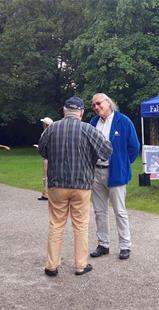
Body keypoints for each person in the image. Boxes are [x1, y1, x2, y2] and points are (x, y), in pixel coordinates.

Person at [38, 96, 112, 277]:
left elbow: (42, 150)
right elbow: (107, 150)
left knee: (56, 224)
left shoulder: (52, 128)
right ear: (81, 112)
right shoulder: (88, 129)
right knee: (80, 225)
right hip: (82, 184)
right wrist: (92, 156)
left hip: (56, 184)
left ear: (64, 111)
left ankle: (52, 265)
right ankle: (80, 265)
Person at [89, 93, 140, 260]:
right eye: (93, 105)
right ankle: (103, 244)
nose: (96, 107)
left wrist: (123, 164)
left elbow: (134, 147)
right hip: (96, 172)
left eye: (98, 103)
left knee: (120, 211)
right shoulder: (93, 122)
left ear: (108, 102)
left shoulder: (123, 121)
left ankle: (125, 246)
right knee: (99, 211)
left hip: (116, 172)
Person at [38, 117, 53, 201]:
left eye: (44, 123)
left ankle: (47, 194)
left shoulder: (47, 132)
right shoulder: (49, 132)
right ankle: (45, 192)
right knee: (45, 175)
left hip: (48, 156)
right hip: (47, 155)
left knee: (47, 175)